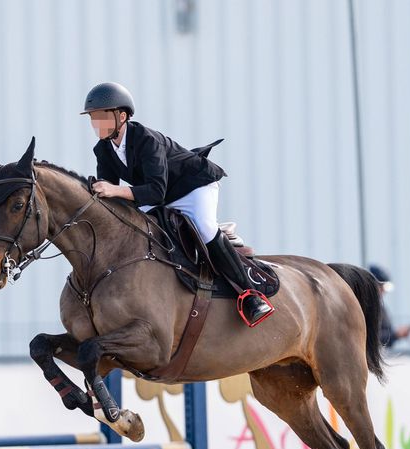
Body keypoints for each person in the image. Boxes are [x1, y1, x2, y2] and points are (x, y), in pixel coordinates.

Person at [81, 82, 274, 328]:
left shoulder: (147, 140)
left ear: (122, 116)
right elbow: (111, 191)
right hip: (159, 194)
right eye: (93, 118)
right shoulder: (103, 149)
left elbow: (155, 190)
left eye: (101, 117)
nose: (96, 124)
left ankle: (250, 296)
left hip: (193, 186)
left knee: (204, 228)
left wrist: (114, 190)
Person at [368, 264, 410, 348]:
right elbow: (371, 338)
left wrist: (395, 335)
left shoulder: (380, 307)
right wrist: (396, 334)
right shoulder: (368, 308)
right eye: (382, 287)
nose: (384, 291)